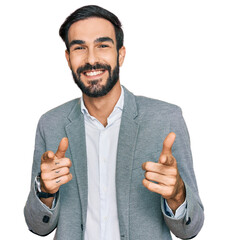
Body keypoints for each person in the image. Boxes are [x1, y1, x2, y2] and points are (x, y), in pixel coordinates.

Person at [24, 5, 204, 240]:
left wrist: (177, 194)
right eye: (80, 48)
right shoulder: (51, 123)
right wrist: (45, 190)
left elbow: (190, 228)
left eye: (103, 46)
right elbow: (38, 226)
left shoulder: (165, 119)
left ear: (120, 54)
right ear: (68, 58)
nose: (91, 59)